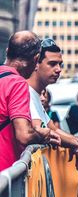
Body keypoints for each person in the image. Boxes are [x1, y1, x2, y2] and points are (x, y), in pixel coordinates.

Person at [0, 32, 61, 171]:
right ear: (36, 59)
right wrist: (43, 134)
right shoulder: (17, 83)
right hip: (5, 174)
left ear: (7, 51)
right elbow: (24, 135)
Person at [26, 39, 78, 168]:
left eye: (60, 64)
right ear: (36, 63)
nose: (59, 69)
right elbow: (40, 131)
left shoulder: (35, 96)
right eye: (52, 64)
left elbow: (53, 129)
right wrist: (76, 143)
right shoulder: (25, 93)